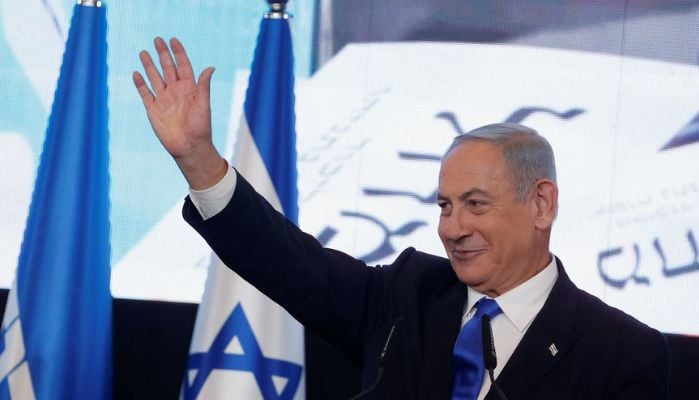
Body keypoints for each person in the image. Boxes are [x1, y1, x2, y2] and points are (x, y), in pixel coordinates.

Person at [134, 37, 671, 399]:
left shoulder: (623, 353)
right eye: (444, 205)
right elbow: (288, 263)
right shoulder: (408, 295)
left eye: (475, 204)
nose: (453, 227)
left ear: (541, 204)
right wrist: (198, 159)